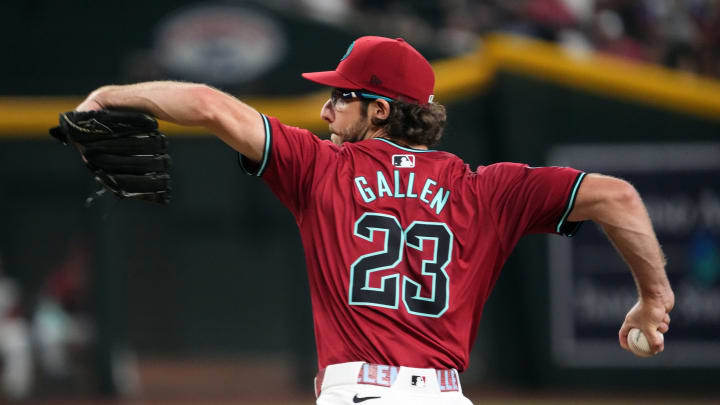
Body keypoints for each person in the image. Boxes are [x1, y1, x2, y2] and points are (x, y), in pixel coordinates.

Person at [74, 36, 674, 405]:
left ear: (380, 109)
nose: (327, 108)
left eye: (342, 97)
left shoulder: (320, 167)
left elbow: (209, 106)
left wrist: (108, 95)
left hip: (358, 394)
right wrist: (654, 296)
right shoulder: (487, 189)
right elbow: (617, 196)